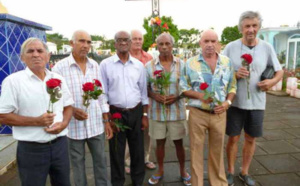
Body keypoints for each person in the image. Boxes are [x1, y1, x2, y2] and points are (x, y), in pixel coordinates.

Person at [0, 38, 74, 186]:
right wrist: (36, 121)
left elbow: (68, 105)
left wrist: (64, 123)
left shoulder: (58, 79)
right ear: (22, 57)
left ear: (47, 56)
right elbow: (3, 116)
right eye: (30, 51)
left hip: (60, 145)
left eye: (40, 51)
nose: (35, 54)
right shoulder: (13, 81)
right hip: (31, 150)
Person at [223, 11, 283, 186]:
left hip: (257, 102)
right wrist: (234, 74)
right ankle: (230, 172)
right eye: (247, 26)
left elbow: (279, 70)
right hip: (234, 101)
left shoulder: (266, 47)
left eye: (254, 25)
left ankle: (245, 172)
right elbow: (221, 71)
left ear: (259, 27)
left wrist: (271, 82)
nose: (250, 29)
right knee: (233, 138)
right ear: (241, 27)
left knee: (251, 138)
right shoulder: (230, 47)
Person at [52, 30, 113, 186]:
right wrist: (71, 110)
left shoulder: (94, 65)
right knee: (77, 165)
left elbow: (101, 95)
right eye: (81, 41)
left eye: (88, 42)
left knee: (101, 162)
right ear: (72, 43)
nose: (85, 45)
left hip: (95, 124)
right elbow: (55, 99)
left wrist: (106, 119)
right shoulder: (59, 68)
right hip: (73, 127)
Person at [180, 29, 237, 186]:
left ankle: (218, 182)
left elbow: (232, 86)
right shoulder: (190, 64)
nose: (210, 45)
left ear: (218, 43)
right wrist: (200, 96)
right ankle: (197, 183)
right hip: (198, 113)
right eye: (206, 41)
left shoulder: (227, 62)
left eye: (213, 41)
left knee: (217, 152)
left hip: (220, 114)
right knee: (196, 151)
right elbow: (183, 88)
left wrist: (227, 103)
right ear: (200, 43)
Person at [99, 30, 149, 186]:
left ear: (130, 43)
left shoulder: (139, 66)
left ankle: (137, 181)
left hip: (136, 111)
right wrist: (107, 119)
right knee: (116, 152)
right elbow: (103, 93)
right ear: (114, 43)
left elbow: (143, 91)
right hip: (115, 113)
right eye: (119, 40)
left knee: (138, 151)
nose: (122, 42)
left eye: (126, 40)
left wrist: (145, 115)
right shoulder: (105, 65)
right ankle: (118, 182)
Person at [146, 33, 191, 185]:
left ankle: (183, 170)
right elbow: (144, 88)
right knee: (159, 143)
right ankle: (160, 170)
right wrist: (153, 95)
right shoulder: (149, 66)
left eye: (167, 44)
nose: (164, 47)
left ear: (172, 45)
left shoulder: (182, 65)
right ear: (157, 46)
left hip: (176, 110)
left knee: (179, 142)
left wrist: (178, 96)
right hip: (157, 112)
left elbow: (188, 86)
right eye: (161, 44)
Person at [123, 29, 155, 174]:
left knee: (147, 131)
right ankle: (129, 160)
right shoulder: (125, 57)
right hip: (131, 101)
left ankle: (146, 158)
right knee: (130, 131)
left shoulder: (149, 58)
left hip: (147, 100)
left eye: (139, 39)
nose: (137, 41)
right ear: (129, 41)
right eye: (134, 38)